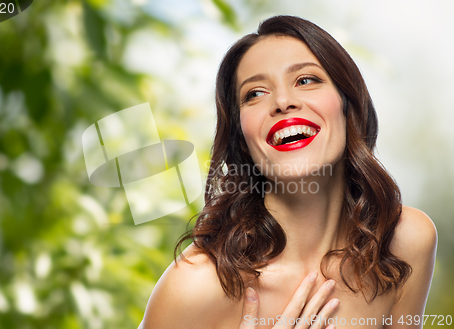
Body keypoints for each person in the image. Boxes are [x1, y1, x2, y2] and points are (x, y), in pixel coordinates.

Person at [138, 15, 437, 329]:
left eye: (306, 80)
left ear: (348, 104)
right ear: (241, 136)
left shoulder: (406, 243)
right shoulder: (195, 287)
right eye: (255, 93)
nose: (282, 101)